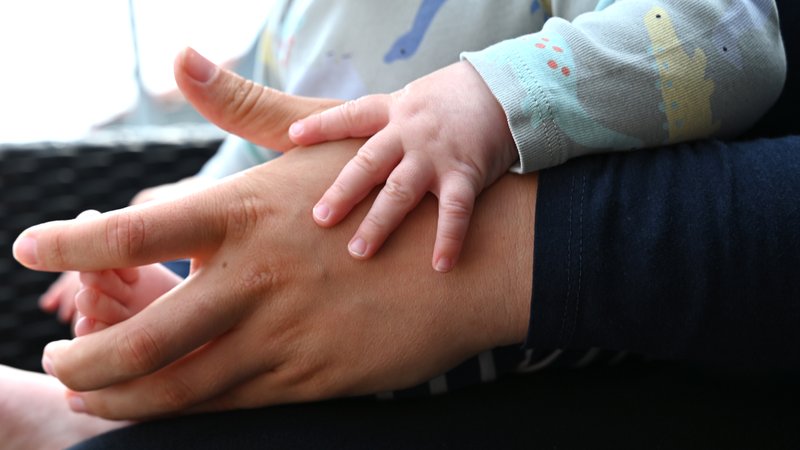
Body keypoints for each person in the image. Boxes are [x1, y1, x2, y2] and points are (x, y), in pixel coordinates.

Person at [4, 42, 800, 449]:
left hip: (546, 326)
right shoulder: (302, 13)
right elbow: (255, 153)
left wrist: (492, 96)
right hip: (331, 299)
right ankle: (128, 400)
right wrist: (166, 220)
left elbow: (727, 42)